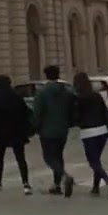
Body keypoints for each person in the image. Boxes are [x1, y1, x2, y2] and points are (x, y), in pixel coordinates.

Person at [32, 64, 76, 196]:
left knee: (48, 157)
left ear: (46, 75)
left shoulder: (42, 93)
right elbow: (71, 110)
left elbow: (37, 112)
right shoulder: (66, 92)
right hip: (63, 129)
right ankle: (56, 185)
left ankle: (64, 176)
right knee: (58, 155)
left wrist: (34, 127)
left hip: (47, 130)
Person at [72, 72, 108, 199]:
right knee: (97, 160)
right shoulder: (97, 96)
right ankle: (95, 187)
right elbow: (104, 112)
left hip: (88, 133)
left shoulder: (79, 99)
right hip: (102, 131)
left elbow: (76, 117)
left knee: (93, 162)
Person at [0, 74, 33, 194]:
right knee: (21, 158)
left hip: (1, 133)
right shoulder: (16, 98)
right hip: (16, 132)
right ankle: (26, 183)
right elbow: (26, 113)